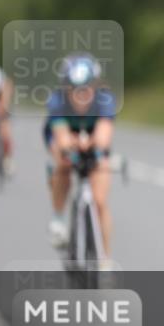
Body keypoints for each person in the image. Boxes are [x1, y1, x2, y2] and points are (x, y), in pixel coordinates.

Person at [44, 53, 116, 255]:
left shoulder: (105, 99)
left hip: (92, 138)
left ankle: (105, 258)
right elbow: (62, 138)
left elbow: (103, 136)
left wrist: (92, 144)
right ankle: (58, 219)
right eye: (74, 90)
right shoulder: (57, 101)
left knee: (100, 201)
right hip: (65, 136)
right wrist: (73, 144)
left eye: (86, 89)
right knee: (63, 161)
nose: (81, 95)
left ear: (94, 86)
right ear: (66, 89)